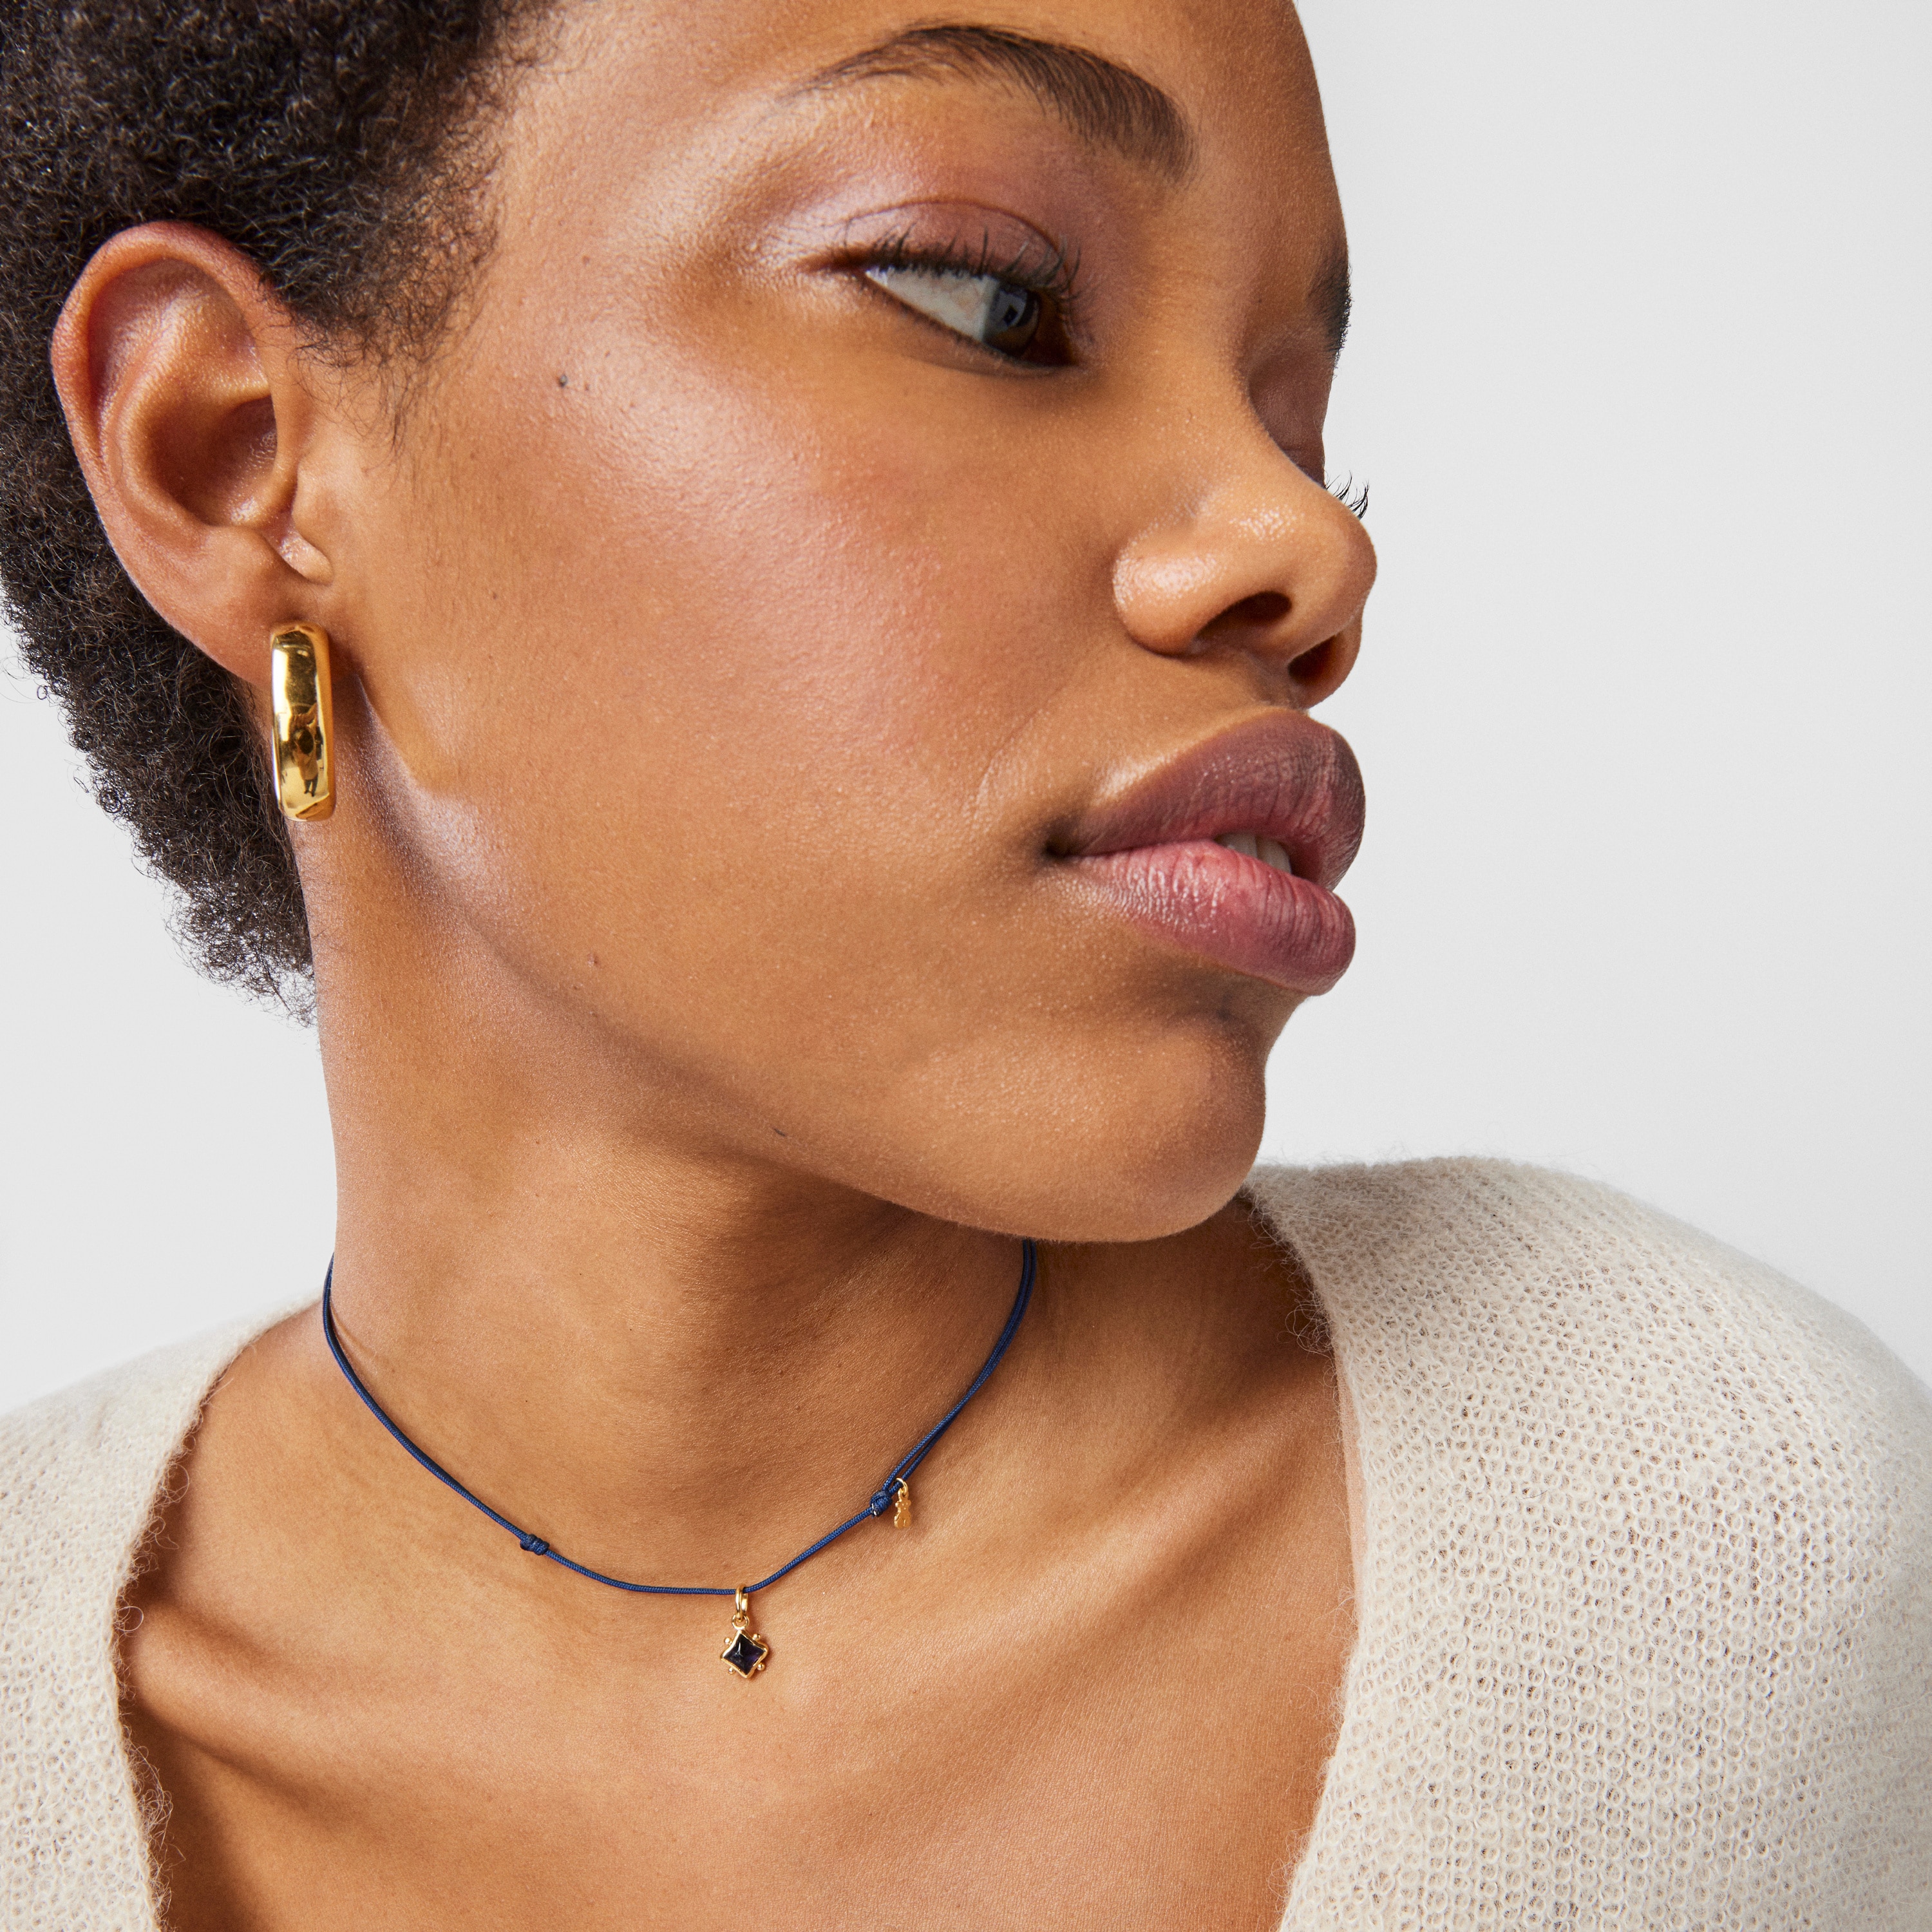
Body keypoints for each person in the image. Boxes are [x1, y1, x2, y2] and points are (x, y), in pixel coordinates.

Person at [2, 1, 1927, 1926]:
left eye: (1296, 423)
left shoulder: (1692, 1561)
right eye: (989, 301)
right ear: (233, 450)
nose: (1303, 553)